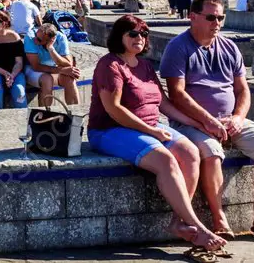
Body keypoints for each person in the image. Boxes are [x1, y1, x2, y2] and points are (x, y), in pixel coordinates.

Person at [89, 16, 227, 254]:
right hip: (110, 130)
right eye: (133, 34)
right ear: (119, 36)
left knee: (190, 152)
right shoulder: (109, 65)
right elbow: (114, 109)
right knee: (166, 160)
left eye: (143, 34)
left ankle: (178, 221)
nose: (139, 39)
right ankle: (199, 228)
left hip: (148, 125)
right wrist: (151, 131)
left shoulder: (145, 66)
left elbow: (163, 103)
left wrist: (198, 123)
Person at [160, 0, 254, 245]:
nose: (217, 22)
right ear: (193, 17)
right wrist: (209, 120)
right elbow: (177, 93)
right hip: (192, 122)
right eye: (211, 17)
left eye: (221, 17)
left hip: (231, 120)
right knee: (211, 152)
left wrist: (239, 117)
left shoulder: (229, 47)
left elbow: (243, 90)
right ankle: (219, 217)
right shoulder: (178, 47)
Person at [23, 23, 80, 107]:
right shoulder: (30, 37)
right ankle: (45, 114)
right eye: (36, 35)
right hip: (33, 70)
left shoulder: (60, 37)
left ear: (51, 40)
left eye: (39, 39)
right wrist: (61, 70)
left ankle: (75, 113)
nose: (35, 40)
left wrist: (51, 49)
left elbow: (68, 63)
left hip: (52, 70)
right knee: (47, 79)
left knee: (70, 78)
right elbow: (36, 66)